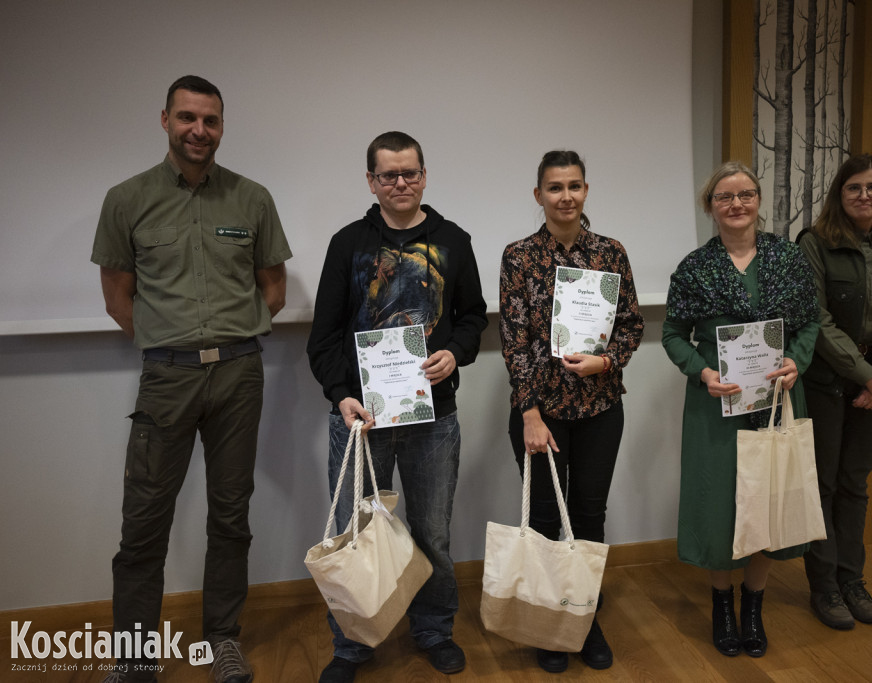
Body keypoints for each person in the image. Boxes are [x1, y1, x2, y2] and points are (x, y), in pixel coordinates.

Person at [90, 75, 292, 683]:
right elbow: (118, 299)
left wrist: (225, 336)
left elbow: (273, 288)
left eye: (210, 120)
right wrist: (174, 343)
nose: (198, 130)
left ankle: (222, 642)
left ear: (222, 126)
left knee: (232, 515)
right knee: (145, 520)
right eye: (187, 118)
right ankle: (134, 658)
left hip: (238, 376)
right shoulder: (127, 199)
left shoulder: (251, 198)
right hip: (167, 379)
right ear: (165, 120)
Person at [306, 131, 488, 683]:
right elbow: (324, 335)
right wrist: (341, 395)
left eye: (410, 172)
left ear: (425, 175)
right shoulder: (348, 244)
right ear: (372, 181)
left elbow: (474, 318)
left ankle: (434, 630)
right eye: (389, 175)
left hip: (434, 417)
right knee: (356, 534)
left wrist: (455, 353)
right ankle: (353, 644)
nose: (401, 183)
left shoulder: (453, 240)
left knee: (432, 532)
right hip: (361, 420)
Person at [661, 161, 819, 658]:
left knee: (768, 500)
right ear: (711, 206)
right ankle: (722, 605)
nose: (736, 204)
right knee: (720, 504)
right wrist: (702, 371)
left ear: (758, 200)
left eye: (745, 194)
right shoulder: (694, 267)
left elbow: (810, 324)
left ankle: (754, 605)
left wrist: (797, 360)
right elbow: (671, 335)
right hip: (717, 403)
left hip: (776, 398)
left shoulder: (788, 260)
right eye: (724, 197)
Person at [498, 150, 644, 673]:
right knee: (541, 519)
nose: (566, 196)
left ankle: (583, 619)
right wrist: (530, 413)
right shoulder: (518, 256)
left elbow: (631, 325)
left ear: (586, 191)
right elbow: (514, 342)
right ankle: (547, 625)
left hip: (601, 406)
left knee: (588, 516)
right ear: (538, 195)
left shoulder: (610, 252)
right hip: (543, 414)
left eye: (575, 186)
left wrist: (605, 360)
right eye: (555, 187)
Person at [797, 153, 872, 630]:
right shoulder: (815, 243)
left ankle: (853, 579)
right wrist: (865, 373)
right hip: (827, 381)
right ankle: (824, 588)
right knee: (823, 485)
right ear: (839, 194)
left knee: (854, 484)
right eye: (854, 188)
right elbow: (816, 320)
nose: (863, 196)